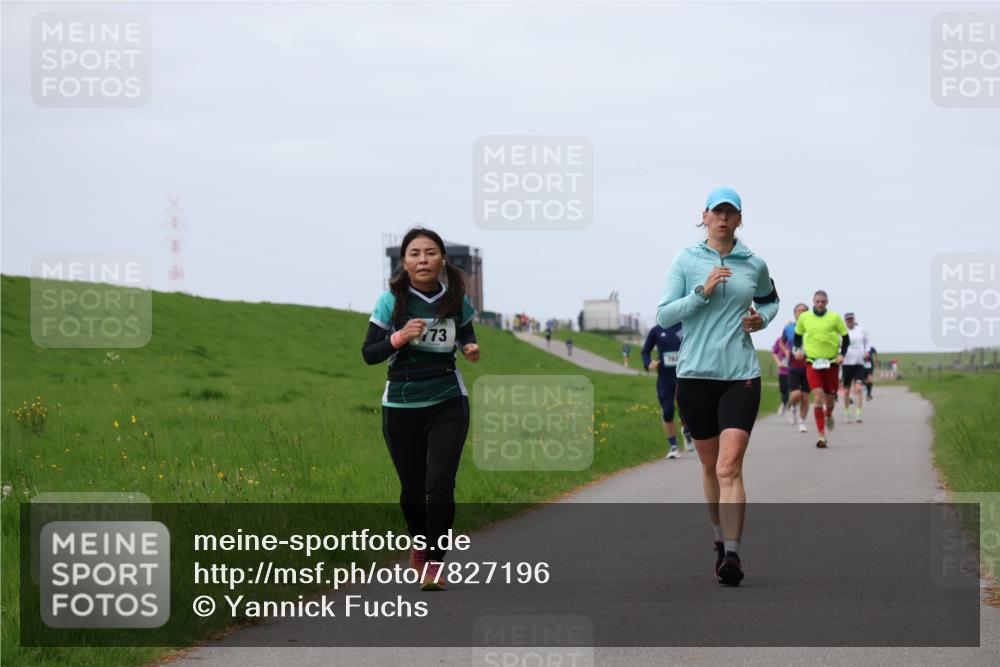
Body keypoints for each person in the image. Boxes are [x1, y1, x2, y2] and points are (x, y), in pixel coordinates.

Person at [656, 186, 780, 587]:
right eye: (717, 211)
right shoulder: (686, 260)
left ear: (740, 220)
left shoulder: (753, 262)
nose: (724, 218)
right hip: (694, 377)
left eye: (732, 213)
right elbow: (663, 315)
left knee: (729, 465)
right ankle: (717, 536)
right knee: (710, 466)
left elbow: (770, 300)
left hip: (740, 375)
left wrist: (761, 320)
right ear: (705, 216)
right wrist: (701, 291)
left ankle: (732, 553)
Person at [361, 228, 479, 591]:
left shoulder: (456, 299)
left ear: (442, 259)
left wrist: (471, 348)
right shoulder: (390, 301)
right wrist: (398, 337)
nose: (423, 259)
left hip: (447, 400)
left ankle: (433, 562)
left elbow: (466, 334)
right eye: (415, 253)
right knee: (412, 488)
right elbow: (369, 353)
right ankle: (419, 543)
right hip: (400, 403)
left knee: (440, 483)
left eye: (430, 252)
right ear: (404, 262)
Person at [793, 290, 849, 449]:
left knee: (830, 401)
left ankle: (829, 414)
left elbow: (845, 338)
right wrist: (797, 349)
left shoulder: (834, 317)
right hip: (812, 362)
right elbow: (797, 336)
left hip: (831, 362)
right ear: (813, 301)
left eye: (823, 302)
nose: (820, 304)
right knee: (818, 396)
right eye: (817, 301)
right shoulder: (804, 318)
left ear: (827, 302)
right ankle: (821, 436)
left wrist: (841, 355)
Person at [641, 323, 694, 459]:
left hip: (684, 377)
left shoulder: (687, 326)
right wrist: (648, 363)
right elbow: (645, 351)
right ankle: (674, 447)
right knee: (667, 411)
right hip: (664, 379)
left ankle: (687, 432)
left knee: (686, 409)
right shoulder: (656, 330)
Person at [784, 303, 811, 433]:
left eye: (803, 310)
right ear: (795, 313)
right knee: (796, 394)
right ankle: (792, 407)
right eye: (798, 310)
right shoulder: (789, 328)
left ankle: (802, 422)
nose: (800, 312)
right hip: (793, 365)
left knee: (805, 397)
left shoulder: (812, 327)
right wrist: (785, 351)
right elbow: (781, 342)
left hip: (809, 365)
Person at [840, 312, 870, 423]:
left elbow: (867, 343)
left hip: (859, 364)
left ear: (854, 319)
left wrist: (867, 351)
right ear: (845, 320)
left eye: (851, 319)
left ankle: (858, 413)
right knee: (846, 392)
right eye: (847, 319)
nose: (850, 321)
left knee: (858, 388)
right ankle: (847, 412)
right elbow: (838, 345)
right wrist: (839, 355)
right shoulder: (842, 332)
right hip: (846, 364)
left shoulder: (861, 330)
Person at [771, 335, 790, 417]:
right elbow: (774, 353)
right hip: (783, 371)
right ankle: (784, 404)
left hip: (794, 371)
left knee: (794, 391)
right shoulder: (779, 340)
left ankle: (792, 408)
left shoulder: (797, 339)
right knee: (783, 390)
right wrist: (778, 363)